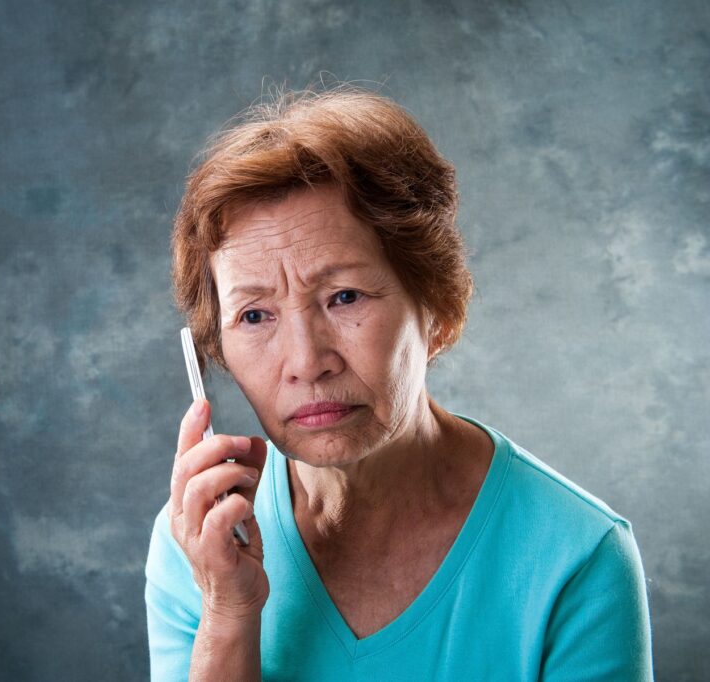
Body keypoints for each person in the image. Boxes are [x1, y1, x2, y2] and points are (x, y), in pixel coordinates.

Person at [145, 86, 654, 680]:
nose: (306, 362)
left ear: (435, 310)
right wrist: (228, 611)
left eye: (345, 297)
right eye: (254, 315)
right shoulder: (199, 545)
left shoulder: (578, 558)